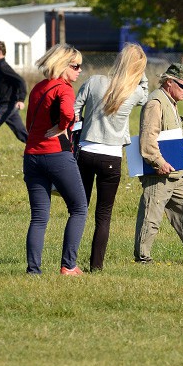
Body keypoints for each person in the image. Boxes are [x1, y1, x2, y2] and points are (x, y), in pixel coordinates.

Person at [74, 44, 149, 271]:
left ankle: (69, 261)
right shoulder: (134, 91)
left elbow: (74, 109)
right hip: (112, 156)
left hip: (86, 151)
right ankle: (96, 266)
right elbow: (146, 94)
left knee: (78, 210)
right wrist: (139, 73)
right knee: (103, 216)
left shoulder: (94, 81)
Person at [23, 44, 88, 275]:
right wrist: (64, 126)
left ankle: (33, 270)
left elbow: (29, 123)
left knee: (39, 216)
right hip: (57, 155)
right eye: (76, 66)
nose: (80, 70)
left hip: (31, 156)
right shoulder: (65, 88)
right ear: (63, 66)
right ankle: (69, 265)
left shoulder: (38, 88)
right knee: (79, 208)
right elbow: (69, 114)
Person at [134, 63, 183, 263]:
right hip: (160, 172)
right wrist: (158, 162)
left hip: (176, 173)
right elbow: (148, 138)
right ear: (169, 83)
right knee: (152, 217)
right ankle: (142, 259)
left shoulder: (171, 102)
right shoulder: (155, 103)